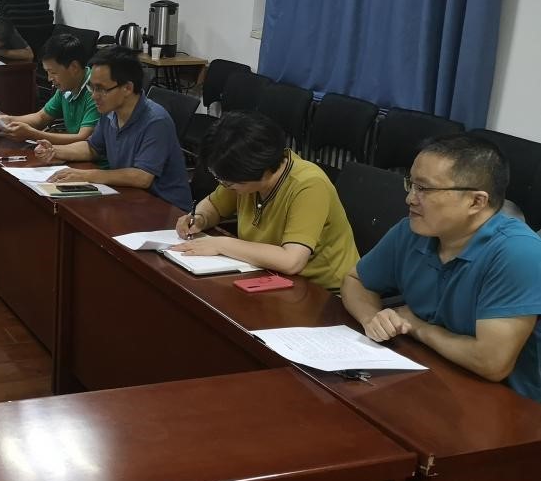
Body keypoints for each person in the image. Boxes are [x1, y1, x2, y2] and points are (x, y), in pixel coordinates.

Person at [341, 134, 541, 401]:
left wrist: (418, 327)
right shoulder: (411, 231)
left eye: (424, 189)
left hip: (508, 404)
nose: (410, 199)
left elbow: (492, 363)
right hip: (430, 375)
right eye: (411, 184)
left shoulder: (518, 253)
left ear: (476, 202)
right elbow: (356, 280)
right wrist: (372, 319)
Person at [171, 111, 359, 292]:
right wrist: (200, 218)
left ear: (257, 170)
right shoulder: (244, 180)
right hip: (268, 276)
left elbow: (292, 261)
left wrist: (221, 245)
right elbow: (214, 206)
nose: (224, 185)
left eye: (228, 182)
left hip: (322, 292)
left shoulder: (309, 185)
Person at [34, 46, 192, 210]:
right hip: (129, 197)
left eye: (101, 89)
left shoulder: (156, 121)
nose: (94, 96)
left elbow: (142, 177)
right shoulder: (110, 112)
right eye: (92, 87)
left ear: (127, 88)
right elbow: (92, 148)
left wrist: (86, 175)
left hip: (166, 209)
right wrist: (54, 151)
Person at [0, 33, 100, 149]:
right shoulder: (67, 86)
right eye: (47, 72)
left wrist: (33, 134)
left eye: (53, 72)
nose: (49, 78)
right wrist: (8, 120)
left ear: (74, 67)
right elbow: (41, 117)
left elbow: (84, 139)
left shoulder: (96, 91)